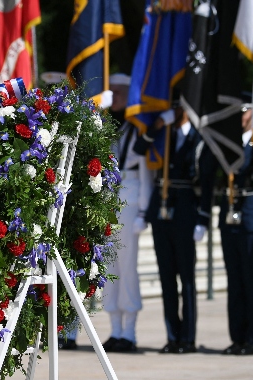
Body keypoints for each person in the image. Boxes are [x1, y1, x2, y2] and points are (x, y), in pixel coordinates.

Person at [196, 105, 253, 355]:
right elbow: (205, 170)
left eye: (245, 110)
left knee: (250, 279)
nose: (241, 116)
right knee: (234, 280)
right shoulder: (225, 144)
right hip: (228, 215)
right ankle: (237, 337)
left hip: (250, 214)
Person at [136, 100, 204, 354]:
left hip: (184, 210)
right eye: (172, 107)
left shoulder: (197, 138)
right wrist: (158, 125)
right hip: (160, 210)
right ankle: (172, 335)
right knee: (166, 277)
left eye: (179, 107)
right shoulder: (161, 135)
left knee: (186, 276)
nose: (174, 112)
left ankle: (188, 338)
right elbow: (139, 147)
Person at [101, 73, 153, 352]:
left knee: (128, 268)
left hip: (131, 204)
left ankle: (130, 332)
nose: (115, 98)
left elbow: (145, 173)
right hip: (108, 205)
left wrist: (145, 211)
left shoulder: (137, 129)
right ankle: (116, 330)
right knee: (110, 268)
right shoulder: (107, 127)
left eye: (119, 93)